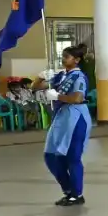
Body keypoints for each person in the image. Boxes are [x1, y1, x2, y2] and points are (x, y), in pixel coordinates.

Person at [41, 48, 91, 206]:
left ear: (76, 59)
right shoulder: (61, 76)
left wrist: (57, 96)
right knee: (51, 155)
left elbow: (77, 98)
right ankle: (68, 190)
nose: (63, 59)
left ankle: (77, 194)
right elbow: (37, 86)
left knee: (72, 157)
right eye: (62, 56)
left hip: (75, 116)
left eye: (67, 57)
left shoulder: (79, 76)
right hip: (60, 116)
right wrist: (41, 76)